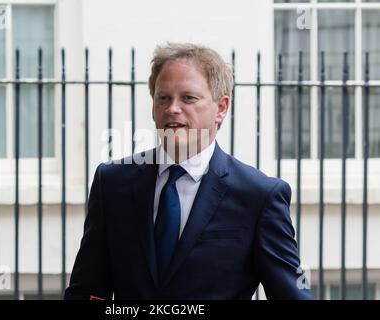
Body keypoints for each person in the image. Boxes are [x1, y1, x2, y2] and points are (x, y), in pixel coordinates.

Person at [65, 43, 311, 300]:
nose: (173, 108)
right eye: (163, 97)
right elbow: (87, 289)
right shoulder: (112, 183)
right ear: (153, 107)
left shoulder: (259, 196)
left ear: (222, 108)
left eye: (188, 98)